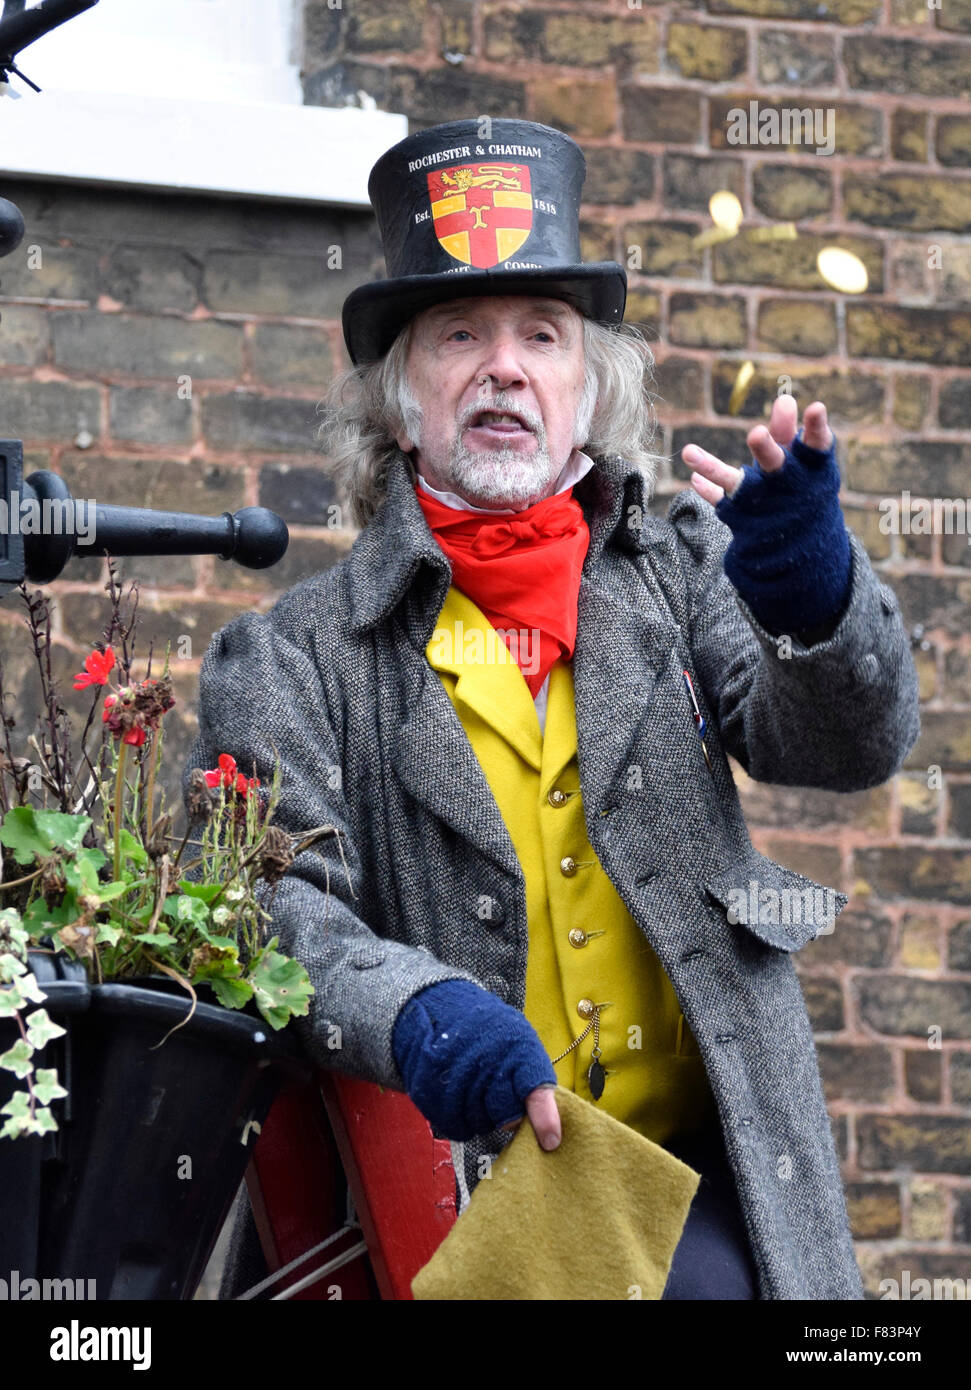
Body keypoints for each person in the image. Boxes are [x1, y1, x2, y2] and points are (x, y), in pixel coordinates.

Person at [185, 118, 920, 1300]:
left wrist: (811, 596)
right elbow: (270, 914)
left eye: (541, 335)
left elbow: (843, 746)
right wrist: (417, 1011)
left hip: (711, 1181)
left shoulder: (682, 566)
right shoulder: (291, 659)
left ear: (587, 390)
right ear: (397, 398)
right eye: (457, 335)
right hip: (468, 1211)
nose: (504, 366)